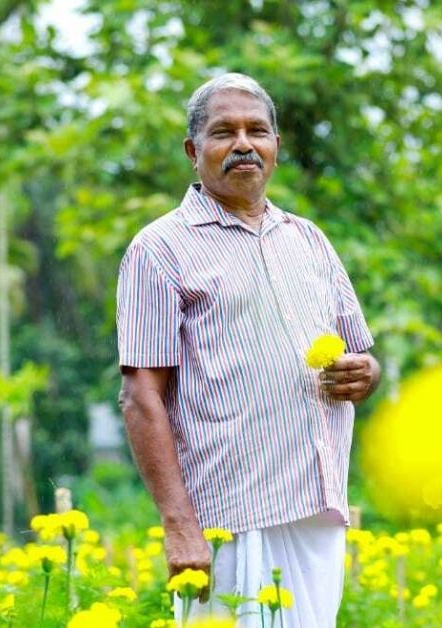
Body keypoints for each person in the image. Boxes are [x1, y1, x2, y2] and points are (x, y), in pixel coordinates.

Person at [116, 72, 380, 627]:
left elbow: (363, 358)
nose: (243, 144)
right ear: (194, 151)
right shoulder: (160, 248)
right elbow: (142, 396)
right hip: (227, 517)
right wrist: (179, 525)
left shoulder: (308, 239)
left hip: (315, 505)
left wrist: (365, 373)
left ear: (275, 147)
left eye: (257, 130)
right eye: (223, 132)